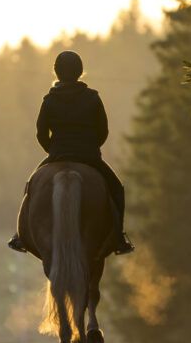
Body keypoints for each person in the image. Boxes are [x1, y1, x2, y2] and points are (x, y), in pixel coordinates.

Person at [8, 50, 135, 256]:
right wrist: (91, 148)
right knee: (117, 189)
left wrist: (55, 151)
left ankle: (20, 236)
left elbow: (41, 133)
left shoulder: (49, 100)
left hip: (58, 155)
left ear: (57, 72)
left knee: (31, 187)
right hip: (89, 156)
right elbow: (103, 130)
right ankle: (119, 238)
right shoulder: (93, 98)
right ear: (80, 72)